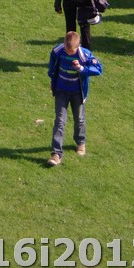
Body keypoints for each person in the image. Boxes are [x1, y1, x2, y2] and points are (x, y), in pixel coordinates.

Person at [46, 30, 102, 166]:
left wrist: (81, 68)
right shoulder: (57, 51)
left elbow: (98, 69)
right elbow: (52, 66)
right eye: (67, 49)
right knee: (59, 121)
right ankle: (56, 154)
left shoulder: (85, 55)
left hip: (77, 92)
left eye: (72, 51)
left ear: (78, 46)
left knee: (79, 119)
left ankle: (80, 143)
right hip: (61, 91)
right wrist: (52, 79)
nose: (69, 53)